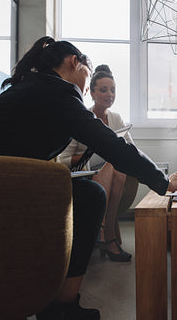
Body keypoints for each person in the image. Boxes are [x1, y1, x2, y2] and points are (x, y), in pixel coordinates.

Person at [0, 36, 177, 320]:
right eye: (88, 74)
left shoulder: (32, 87)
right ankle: (62, 307)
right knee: (90, 196)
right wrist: (162, 182)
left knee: (82, 193)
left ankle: (58, 301)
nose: (87, 85)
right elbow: (113, 146)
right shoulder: (57, 92)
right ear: (74, 63)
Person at [58, 64, 134, 262]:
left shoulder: (116, 118)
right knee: (109, 160)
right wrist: (89, 158)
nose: (109, 94)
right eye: (103, 90)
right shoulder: (82, 118)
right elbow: (63, 159)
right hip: (81, 171)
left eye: (113, 90)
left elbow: (132, 150)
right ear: (91, 93)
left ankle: (104, 231)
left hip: (110, 172)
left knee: (116, 167)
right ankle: (107, 235)